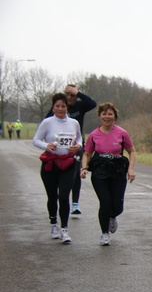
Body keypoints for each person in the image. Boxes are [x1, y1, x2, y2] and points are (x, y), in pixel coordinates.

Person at [80, 102, 136, 246]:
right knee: (105, 202)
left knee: (117, 206)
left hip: (117, 170)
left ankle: (112, 216)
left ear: (115, 117)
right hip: (100, 171)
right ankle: (104, 233)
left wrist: (130, 169)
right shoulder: (94, 135)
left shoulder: (122, 133)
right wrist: (84, 168)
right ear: (100, 116)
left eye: (110, 114)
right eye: (104, 114)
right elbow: (86, 153)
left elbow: (132, 151)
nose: (107, 116)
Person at [32, 93, 83, 243]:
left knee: (64, 196)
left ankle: (65, 230)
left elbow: (79, 137)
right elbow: (36, 140)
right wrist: (46, 145)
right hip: (51, 164)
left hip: (68, 164)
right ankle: (54, 224)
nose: (60, 109)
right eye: (57, 106)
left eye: (63, 106)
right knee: (52, 196)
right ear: (53, 108)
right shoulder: (47, 123)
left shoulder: (74, 123)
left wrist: (78, 146)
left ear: (67, 107)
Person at [47, 84, 97, 215]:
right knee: (58, 172)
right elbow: (46, 121)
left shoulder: (80, 106)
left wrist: (78, 93)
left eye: (72, 95)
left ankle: (75, 204)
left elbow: (92, 103)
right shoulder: (59, 108)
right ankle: (61, 195)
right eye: (67, 95)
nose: (69, 97)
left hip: (76, 146)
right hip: (59, 147)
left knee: (75, 173)